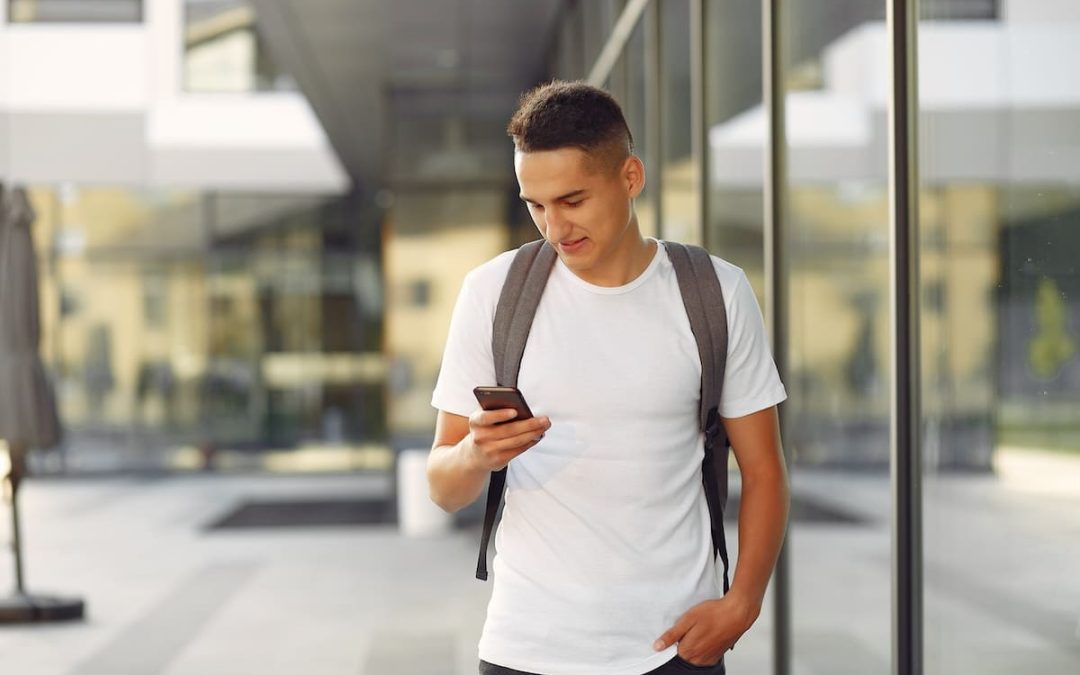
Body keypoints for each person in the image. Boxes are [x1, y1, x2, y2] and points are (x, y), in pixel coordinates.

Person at [427, 80, 789, 675]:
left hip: (675, 647)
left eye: (572, 200)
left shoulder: (715, 292)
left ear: (630, 177)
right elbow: (443, 488)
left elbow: (765, 470)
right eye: (534, 205)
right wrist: (475, 454)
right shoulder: (493, 293)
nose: (554, 226)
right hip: (527, 647)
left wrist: (742, 603)